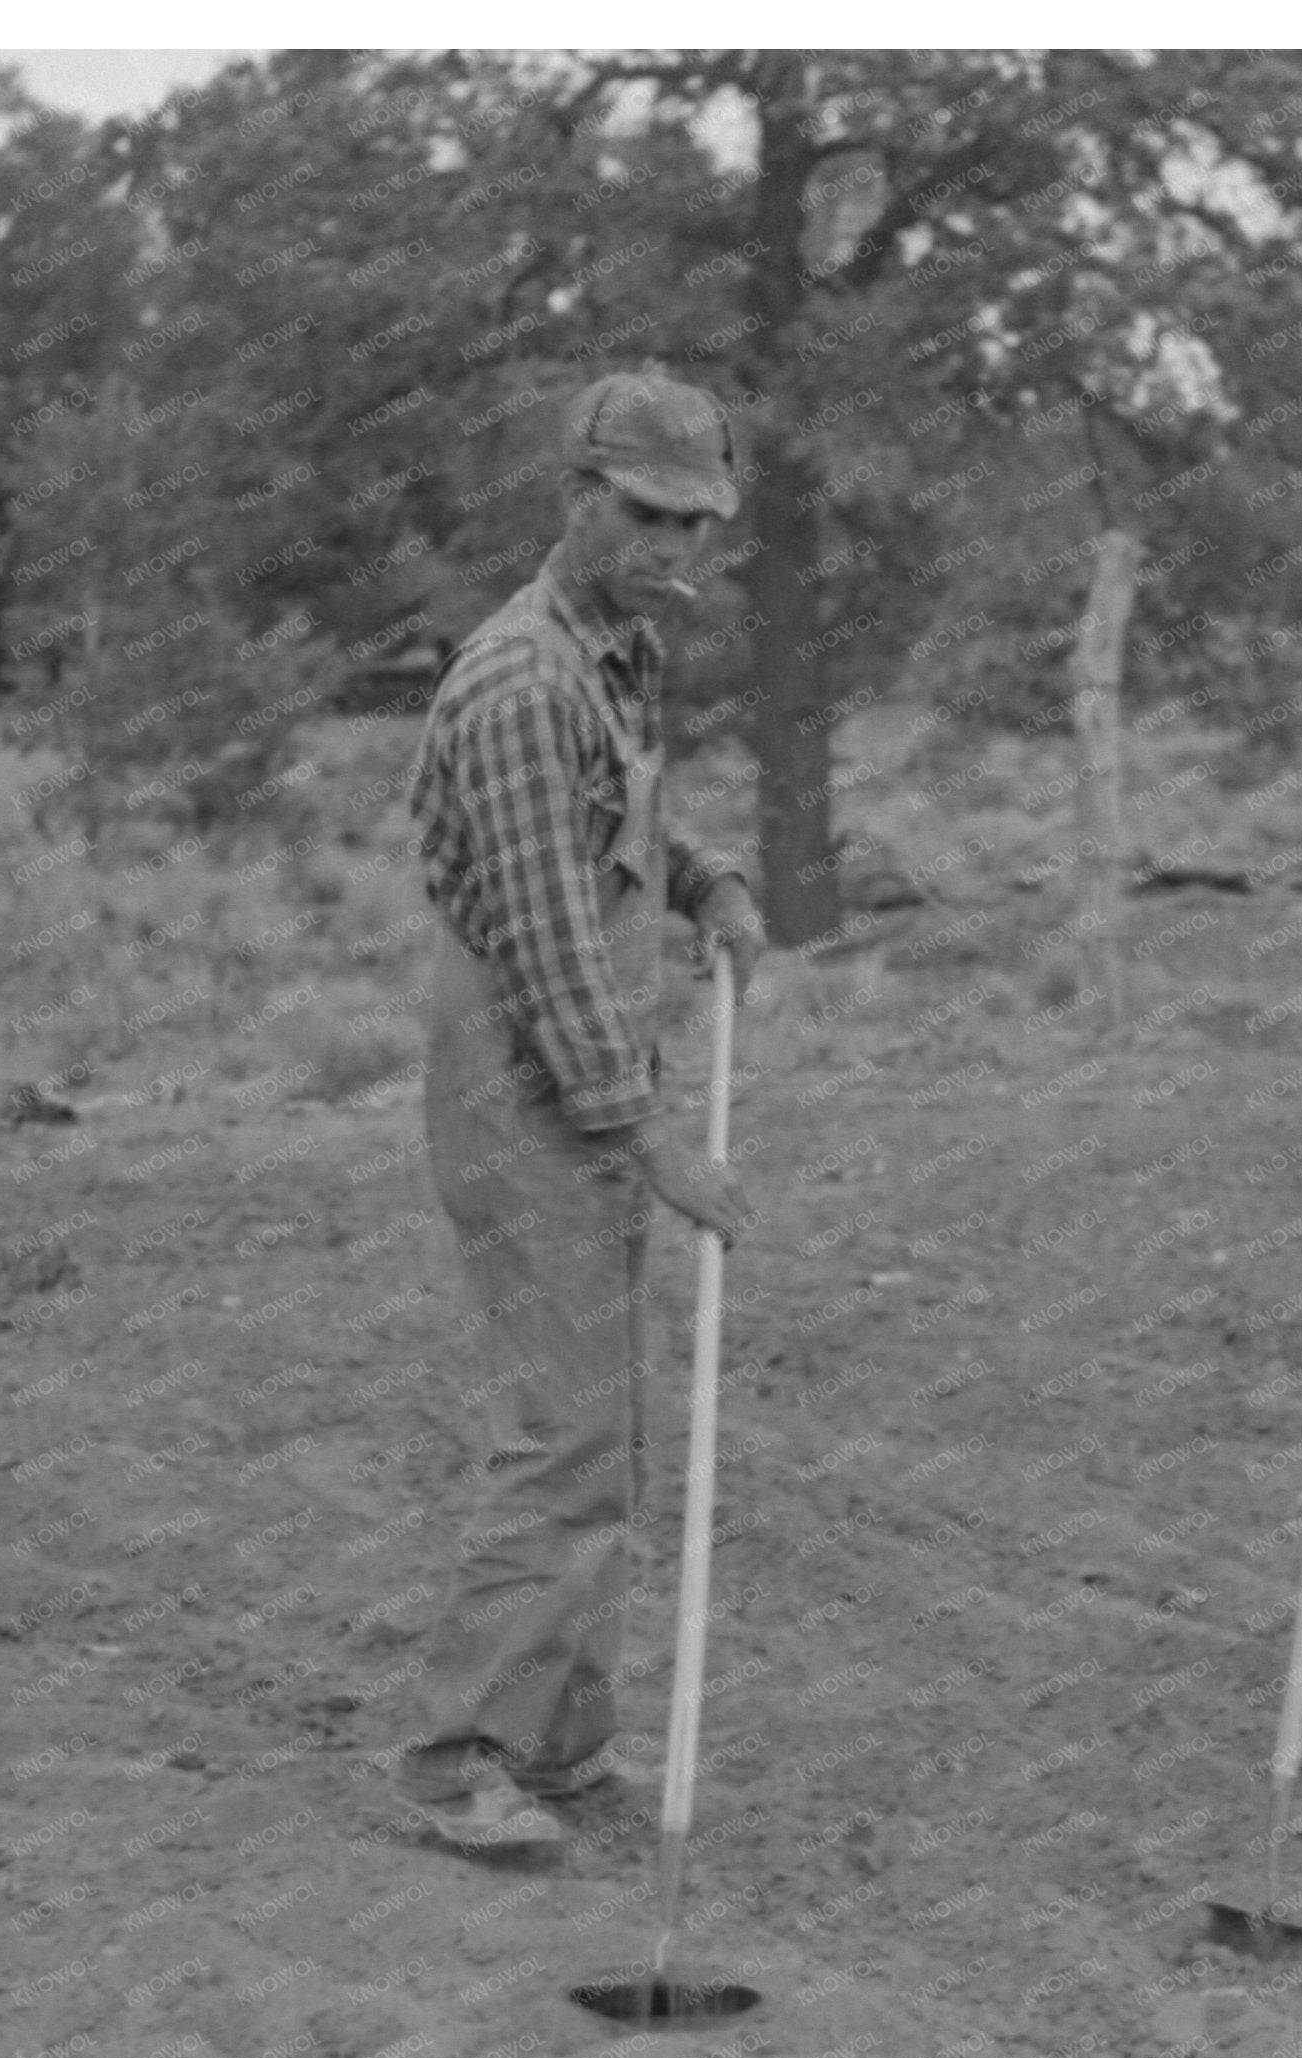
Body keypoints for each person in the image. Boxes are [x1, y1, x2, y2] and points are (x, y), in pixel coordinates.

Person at [393, 370, 770, 1855]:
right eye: (647, 513)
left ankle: (557, 1747)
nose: (675, 542)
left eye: (697, 520)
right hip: (519, 1079)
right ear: (578, 498)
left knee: (603, 1429)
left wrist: (704, 880)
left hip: (581, 1072)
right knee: (562, 1437)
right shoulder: (518, 684)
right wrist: (657, 1146)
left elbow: (621, 834)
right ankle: (454, 1756)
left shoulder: (616, 654)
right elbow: (549, 955)